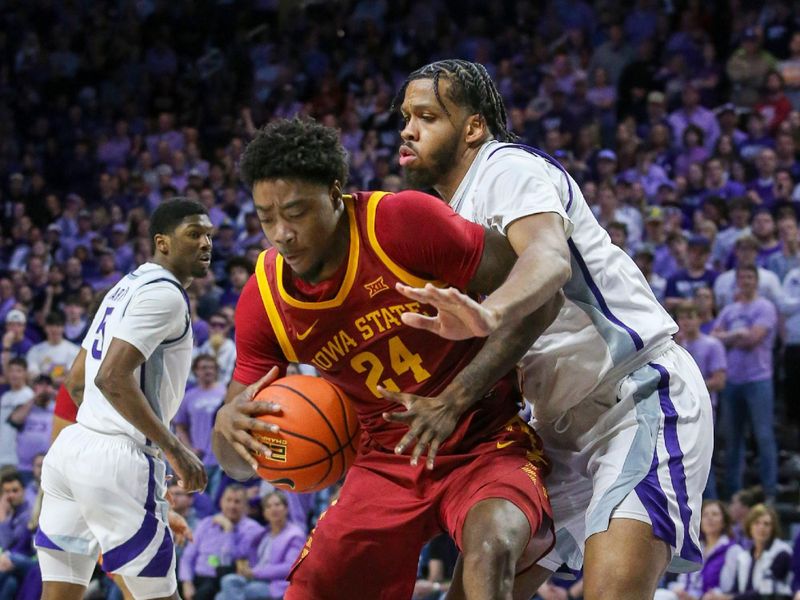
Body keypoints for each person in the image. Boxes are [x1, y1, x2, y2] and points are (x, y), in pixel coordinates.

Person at [389, 59, 713, 599]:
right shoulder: (444, 216)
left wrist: (492, 313)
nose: (408, 128)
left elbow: (548, 260)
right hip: (555, 434)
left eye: (427, 116)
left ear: (472, 127)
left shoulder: (505, 168)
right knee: (476, 587)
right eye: (405, 117)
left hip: (633, 400)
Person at [212, 118, 562, 599]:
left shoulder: (399, 224)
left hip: (486, 438)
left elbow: (542, 298)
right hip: (385, 461)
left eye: (295, 213)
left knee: (492, 545)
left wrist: (455, 399)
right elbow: (234, 462)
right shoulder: (266, 299)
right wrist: (228, 428)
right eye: (265, 218)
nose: (281, 234)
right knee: (313, 587)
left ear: (335, 194)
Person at [35, 198, 213, 600]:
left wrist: (102, 464)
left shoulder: (125, 285)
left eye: (208, 235)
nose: (205, 243)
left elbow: (77, 382)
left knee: (60, 593)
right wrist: (173, 451)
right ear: (162, 242)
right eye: (194, 234)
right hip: (116, 455)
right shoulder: (164, 295)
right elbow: (111, 377)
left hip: (71, 452)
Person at [712, 266, 778, 500]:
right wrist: (737, 335)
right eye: (742, 277)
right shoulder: (730, 309)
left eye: (750, 277)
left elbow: (753, 339)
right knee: (733, 439)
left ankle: (770, 491)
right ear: (737, 281)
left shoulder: (765, 307)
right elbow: (714, 336)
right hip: (733, 380)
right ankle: (733, 493)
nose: (746, 281)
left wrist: (733, 336)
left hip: (758, 379)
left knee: (763, 436)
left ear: (757, 281)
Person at [215, 491, 305, 600]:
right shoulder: (263, 534)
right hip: (255, 578)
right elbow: (238, 554)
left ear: (286, 508)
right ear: (264, 513)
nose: (273, 509)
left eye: (277, 505)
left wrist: (255, 572)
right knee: (226, 584)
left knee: (226, 595)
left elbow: (290, 567)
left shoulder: (295, 535)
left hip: (277, 584)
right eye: (268, 506)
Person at [179, 485, 262, 600]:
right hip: (196, 577)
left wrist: (229, 530)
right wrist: (186, 582)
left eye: (237, 502)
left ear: (245, 506)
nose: (232, 506)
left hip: (223, 579)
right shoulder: (206, 523)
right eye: (228, 500)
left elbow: (229, 560)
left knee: (207, 589)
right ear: (221, 502)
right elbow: (188, 556)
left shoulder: (253, 530)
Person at [703, 504, 792, 600]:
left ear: (773, 528)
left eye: (766, 524)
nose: (761, 527)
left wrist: (727, 598)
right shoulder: (744, 556)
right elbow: (736, 590)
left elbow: (765, 591)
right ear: (749, 527)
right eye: (756, 523)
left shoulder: (782, 553)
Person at [658, 500, 742, 599]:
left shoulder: (732, 550)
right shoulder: (695, 548)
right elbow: (683, 581)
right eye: (705, 515)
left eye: (715, 514)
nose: (709, 518)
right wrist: (680, 591)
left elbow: (726, 586)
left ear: (724, 522)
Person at [174, 355, 226, 497]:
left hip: (223, 460)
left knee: (219, 502)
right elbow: (180, 427)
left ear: (216, 371)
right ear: (196, 371)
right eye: (203, 367)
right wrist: (189, 449)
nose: (207, 371)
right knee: (200, 500)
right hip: (199, 459)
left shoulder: (225, 393)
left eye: (211, 367)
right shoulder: (188, 397)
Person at [0, 358, 33, 469]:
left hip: (17, 457)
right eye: (11, 370)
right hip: (3, 453)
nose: (14, 374)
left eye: (18, 371)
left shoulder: (29, 396)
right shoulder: (5, 397)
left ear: (25, 373)